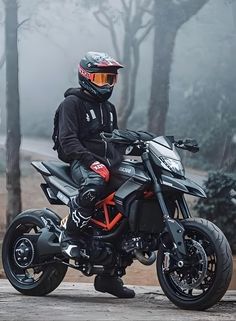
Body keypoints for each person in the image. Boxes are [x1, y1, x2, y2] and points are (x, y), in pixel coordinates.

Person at [53, 51, 135, 298]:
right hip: (81, 160)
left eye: (111, 79)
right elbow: (67, 141)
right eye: (102, 79)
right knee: (94, 183)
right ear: (86, 76)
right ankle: (70, 236)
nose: (108, 84)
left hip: (105, 163)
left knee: (132, 193)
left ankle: (109, 276)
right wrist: (92, 162)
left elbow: (114, 138)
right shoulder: (71, 104)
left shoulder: (108, 108)